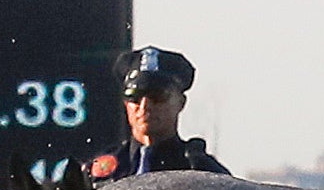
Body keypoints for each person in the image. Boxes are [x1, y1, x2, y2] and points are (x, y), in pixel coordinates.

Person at [84, 48, 231, 180]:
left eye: (157, 96)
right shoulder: (101, 173)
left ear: (181, 103)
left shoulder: (202, 172)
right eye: (134, 97)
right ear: (125, 103)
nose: (145, 106)